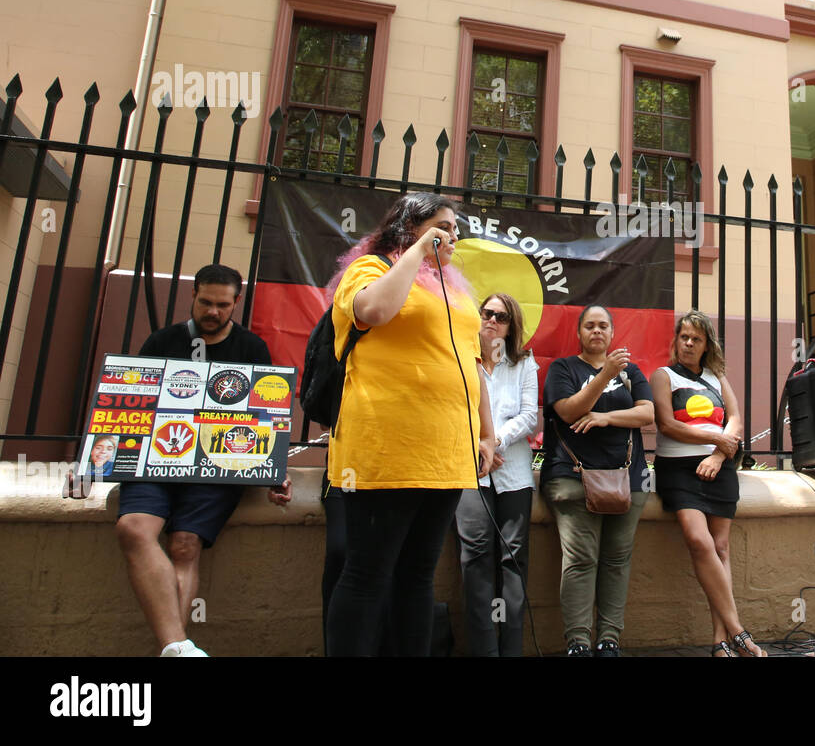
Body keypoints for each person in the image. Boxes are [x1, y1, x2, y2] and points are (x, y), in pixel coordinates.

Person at [66, 264, 287, 657]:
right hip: (154, 464)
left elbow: (264, 422)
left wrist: (274, 474)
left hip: (216, 469)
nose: (213, 312)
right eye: (205, 302)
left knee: (185, 545)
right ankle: (177, 647)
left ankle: (171, 648)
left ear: (236, 302)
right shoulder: (162, 340)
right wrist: (91, 469)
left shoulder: (252, 349)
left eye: (222, 304)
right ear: (193, 296)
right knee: (133, 529)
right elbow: (126, 408)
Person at [324, 192, 496, 657]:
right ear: (408, 226)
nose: (452, 237)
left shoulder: (454, 289)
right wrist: (417, 252)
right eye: (442, 227)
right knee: (367, 573)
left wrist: (485, 432)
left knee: (418, 575)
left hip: (444, 452)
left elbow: (470, 362)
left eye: (455, 230)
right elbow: (374, 312)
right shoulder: (370, 269)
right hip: (385, 450)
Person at [541, 305, 654, 657]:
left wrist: (606, 418)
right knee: (581, 559)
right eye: (589, 326)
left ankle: (608, 640)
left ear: (611, 332)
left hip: (627, 480)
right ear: (579, 333)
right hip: (573, 480)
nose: (596, 331)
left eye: (603, 326)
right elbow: (567, 411)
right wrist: (605, 376)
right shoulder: (564, 368)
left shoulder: (630, 370)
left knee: (617, 561)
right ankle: (577, 642)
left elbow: (647, 413)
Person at [650, 310, 764, 657]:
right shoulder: (663, 375)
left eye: (696, 339)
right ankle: (739, 631)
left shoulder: (717, 377)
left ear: (706, 345)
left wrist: (717, 456)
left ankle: (720, 642)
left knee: (721, 548)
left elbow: (735, 419)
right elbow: (666, 424)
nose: (688, 343)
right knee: (699, 541)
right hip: (679, 469)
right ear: (676, 340)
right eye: (683, 336)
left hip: (720, 469)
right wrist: (712, 442)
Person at [455, 292, 539, 657]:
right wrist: (479, 445)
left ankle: (511, 650)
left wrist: (496, 441)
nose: (491, 320)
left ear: (512, 326)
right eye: (486, 313)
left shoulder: (524, 364)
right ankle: (484, 650)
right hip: (471, 472)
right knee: (475, 556)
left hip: (514, 472)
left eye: (500, 316)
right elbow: (455, 410)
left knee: (513, 558)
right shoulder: (462, 359)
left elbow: (529, 416)